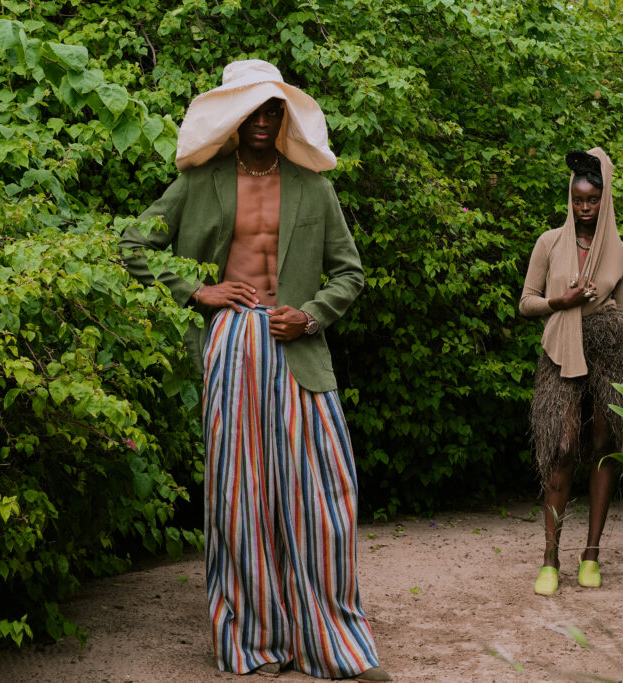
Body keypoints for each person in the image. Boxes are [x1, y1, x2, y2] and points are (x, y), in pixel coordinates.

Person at [119, 60, 390, 682]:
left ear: (283, 117)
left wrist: (312, 316)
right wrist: (198, 291)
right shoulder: (199, 181)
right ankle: (255, 642)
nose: (265, 120)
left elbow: (350, 272)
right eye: (255, 110)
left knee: (325, 494)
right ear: (235, 117)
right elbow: (133, 243)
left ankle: (333, 642)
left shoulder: (313, 187)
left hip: (297, 347)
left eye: (274, 110)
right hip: (233, 342)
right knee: (241, 498)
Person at [518, 148, 623, 596]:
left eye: (592, 199)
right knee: (562, 445)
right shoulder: (550, 242)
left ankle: (591, 555)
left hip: (610, 348)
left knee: (604, 445)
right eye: (577, 199)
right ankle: (550, 559)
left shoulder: (618, 251)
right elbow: (526, 302)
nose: (584, 207)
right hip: (562, 347)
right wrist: (561, 301)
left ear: (604, 200)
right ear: (569, 198)